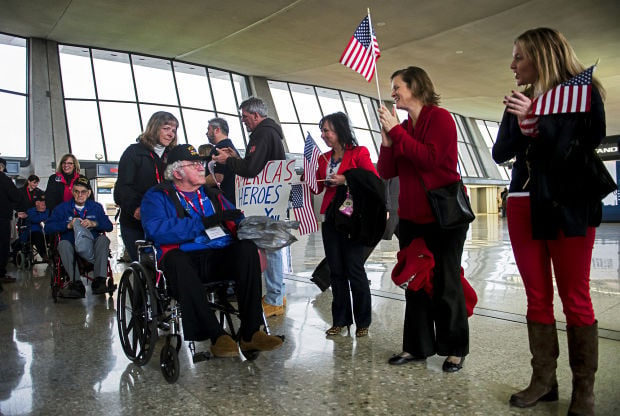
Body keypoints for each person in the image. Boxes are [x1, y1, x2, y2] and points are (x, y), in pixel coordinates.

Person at [492, 28, 606, 414]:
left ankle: (584, 390)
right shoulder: (519, 99)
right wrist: (522, 123)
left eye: (519, 57)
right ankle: (544, 380)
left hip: (568, 203)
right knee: (537, 296)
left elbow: (584, 143)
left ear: (541, 56)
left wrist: (539, 124)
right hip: (524, 201)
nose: (512, 65)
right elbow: (498, 152)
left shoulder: (584, 94)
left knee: (575, 297)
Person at [140, 144, 284, 357]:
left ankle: (251, 333)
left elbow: (235, 220)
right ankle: (217, 336)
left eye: (201, 163)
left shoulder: (212, 195)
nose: (201, 168)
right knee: (176, 261)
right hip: (185, 259)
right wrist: (203, 222)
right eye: (194, 164)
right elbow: (157, 230)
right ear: (177, 172)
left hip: (217, 256)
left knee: (247, 249)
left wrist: (254, 229)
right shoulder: (157, 196)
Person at [377, 66, 469, 372]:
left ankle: (455, 348)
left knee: (446, 281)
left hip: (444, 216)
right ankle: (416, 348)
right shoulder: (403, 127)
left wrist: (396, 133)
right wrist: (388, 142)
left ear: (415, 87)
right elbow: (387, 172)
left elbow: (431, 159)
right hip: (413, 218)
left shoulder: (439, 118)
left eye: (397, 86)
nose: (393, 93)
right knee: (415, 284)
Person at [212, 97, 287, 318]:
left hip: (267, 204)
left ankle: (274, 298)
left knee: (270, 248)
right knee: (272, 247)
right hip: (271, 201)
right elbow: (256, 164)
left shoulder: (263, 133)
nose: (243, 121)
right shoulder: (269, 133)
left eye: (245, 117)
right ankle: (277, 294)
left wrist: (229, 162)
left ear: (255, 115)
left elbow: (252, 169)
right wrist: (237, 158)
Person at [312, 112, 379, 338]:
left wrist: (346, 178)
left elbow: (372, 181)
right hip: (331, 219)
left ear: (339, 130)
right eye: (322, 131)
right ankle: (339, 320)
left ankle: (363, 320)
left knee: (354, 269)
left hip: (352, 219)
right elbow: (317, 188)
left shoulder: (359, 153)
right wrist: (308, 175)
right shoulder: (323, 158)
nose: (323, 135)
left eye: (327, 130)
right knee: (336, 272)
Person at [114, 111, 178, 262]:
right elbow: (123, 187)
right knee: (145, 267)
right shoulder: (133, 153)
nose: (171, 134)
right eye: (166, 128)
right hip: (135, 223)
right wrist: (136, 208)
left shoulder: (173, 156)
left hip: (164, 221)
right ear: (154, 128)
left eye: (174, 130)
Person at [45, 176, 113, 298]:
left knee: (104, 239)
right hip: (71, 244)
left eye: (83, 192)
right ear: (72, 192)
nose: (80, 195)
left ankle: (99, 281)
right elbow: (48, 228)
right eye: (76, 191)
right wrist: (68, 225)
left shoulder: (96, 207)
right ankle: (76, 284)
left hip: (92, 244)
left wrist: (94, 223)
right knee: (63, 244)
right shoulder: (62, 208)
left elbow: (108, 226)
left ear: (89, 193)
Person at [0, 157, 25, 284]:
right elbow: (16, 196)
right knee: (3, 245)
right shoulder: (4, 179)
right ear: (2, 167)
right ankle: (1, 274)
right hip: (2, 218)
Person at [204, 117, 240, 203]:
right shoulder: (231, 147)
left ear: (217, 130)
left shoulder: (219, 149)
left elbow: (217, 178)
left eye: (209, 129)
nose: (206, 133)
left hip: (224, 199)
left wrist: (197, 181)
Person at [25, 193, 50, 261]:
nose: (44, 206)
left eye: (45, 204)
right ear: (37, 203)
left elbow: (50, 219)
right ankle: (44, 255)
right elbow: (33, 219)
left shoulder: (47, 211)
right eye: (42, 204)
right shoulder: (31, 211)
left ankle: (53, 254)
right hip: (34, 233)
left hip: (46, 231)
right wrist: (43, 219)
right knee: (37, 236)